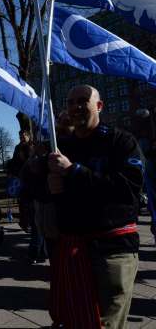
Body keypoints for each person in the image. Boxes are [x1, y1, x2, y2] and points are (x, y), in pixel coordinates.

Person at [48, 85, 143, 328]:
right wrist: (47, 182)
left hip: (112, 250)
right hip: (72, 251)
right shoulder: (62, 147)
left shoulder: (121, 142)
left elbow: (127, 190)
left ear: (98, 106)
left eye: (83, 101)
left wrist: (74, 171)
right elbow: (36, 189)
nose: (75, 107)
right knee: (73, 321)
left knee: (103, 324)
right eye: (70, 102)